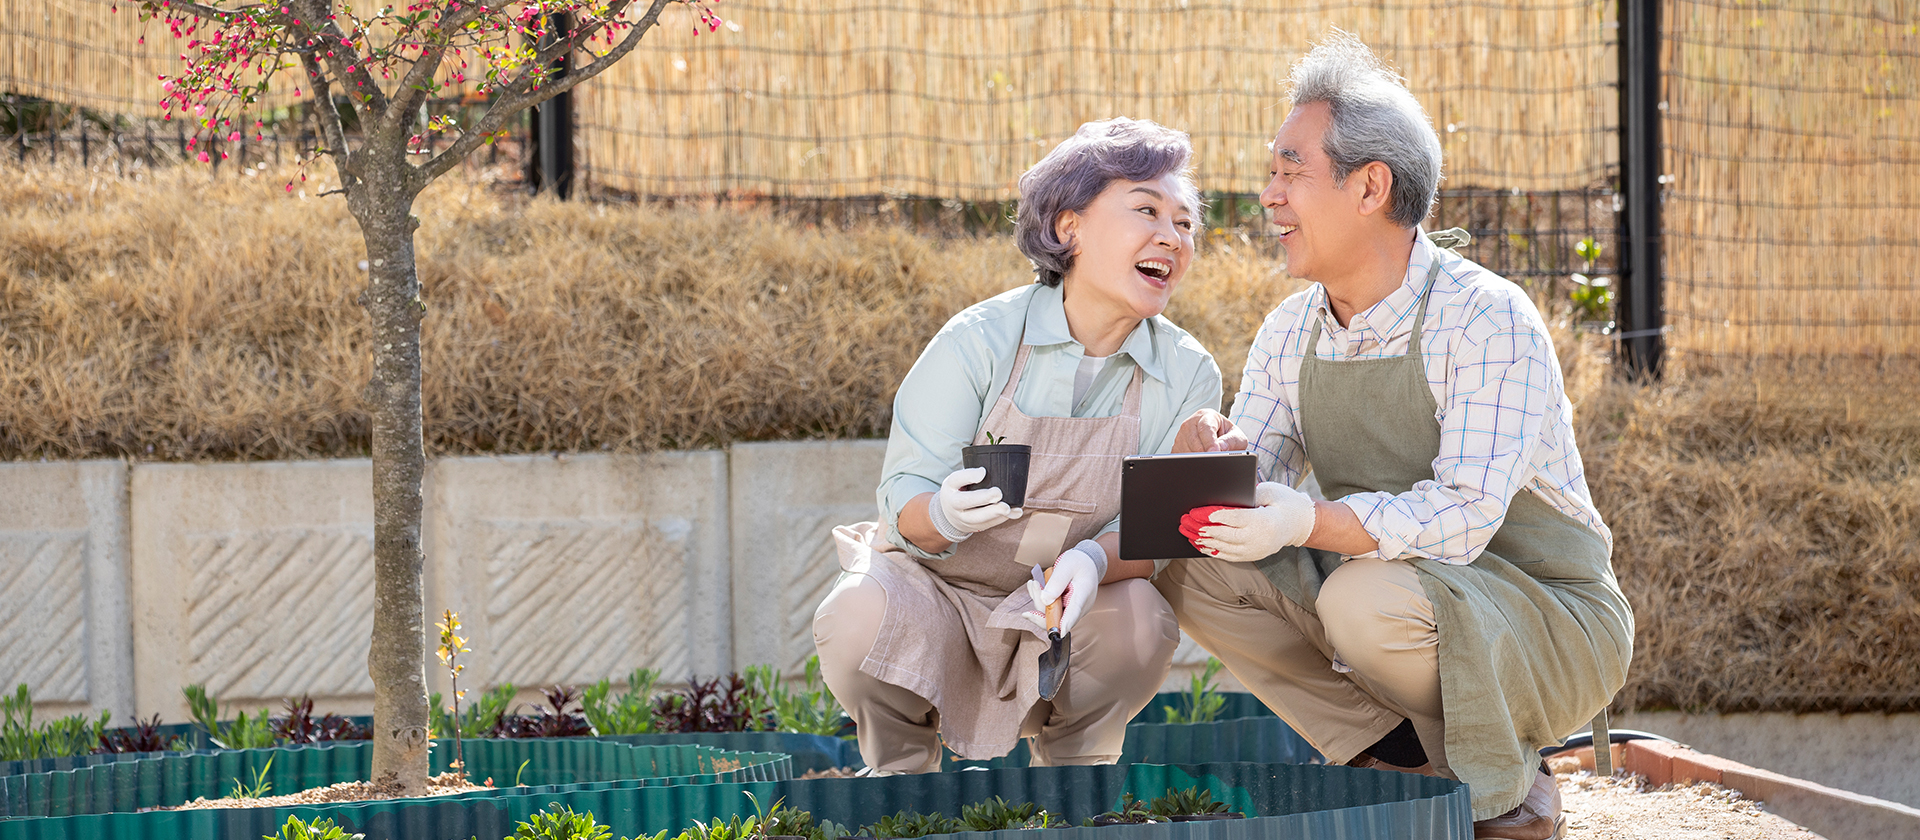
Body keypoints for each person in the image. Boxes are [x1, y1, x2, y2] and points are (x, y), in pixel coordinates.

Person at [1160, 34, 1631, 840]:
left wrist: (1306, 521)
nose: (1268, 195)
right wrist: (1208, 459)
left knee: (1363, 597)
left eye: (1290, 170)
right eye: (1271, 172)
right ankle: (1398, 755)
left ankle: (1504, 773)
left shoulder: (1485, 318)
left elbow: (1464, 518)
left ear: (1371, 184)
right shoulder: (1289, 330)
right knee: (1194, 566)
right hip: (1394, 597)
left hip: (1549, 616)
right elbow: (1254, 484)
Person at [813, 118, 1223, 773]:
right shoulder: (976, 342)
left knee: (1141, 619)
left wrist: (1091, 560)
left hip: (1063, 611)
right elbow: (901, 499)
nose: (1171, 237)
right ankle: (900, 782)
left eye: (1185, 222)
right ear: (1069, 227)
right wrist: (941, 513)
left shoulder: (1187, 372)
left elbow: (1155, 531)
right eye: (1147, 210)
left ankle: (1077, 786)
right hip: (939, 597)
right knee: (858, 611)